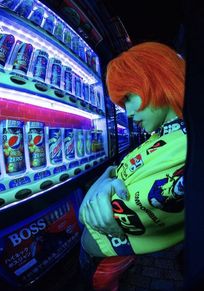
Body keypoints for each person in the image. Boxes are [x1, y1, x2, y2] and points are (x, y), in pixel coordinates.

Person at [78, 42, 186, 290]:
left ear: (158, 79)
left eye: (127, 97)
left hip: (105, 258)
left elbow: (87, 215)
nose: (126, 111)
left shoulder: (184, 145)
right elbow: (115, 171)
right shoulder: (163, 134)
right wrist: (107, 179)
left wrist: (104, 183)